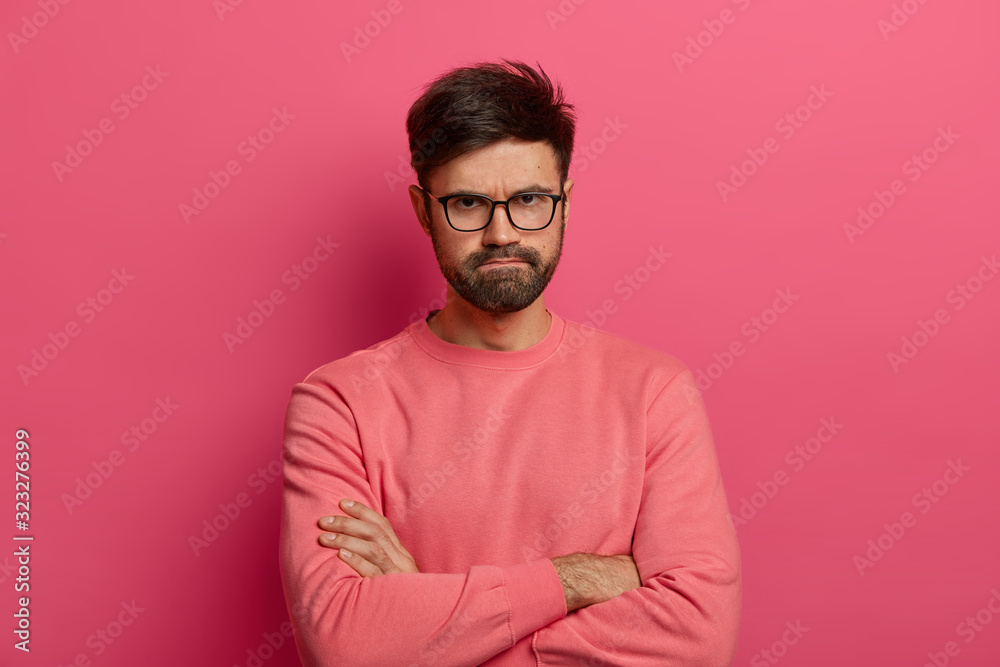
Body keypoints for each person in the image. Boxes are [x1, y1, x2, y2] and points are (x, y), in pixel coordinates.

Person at [279, 59, 741, 666]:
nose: (501, 234)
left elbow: (699, 640)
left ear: (566, 202)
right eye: (468, 203)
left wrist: (430, 624)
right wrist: (574, 580)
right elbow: (346, 648)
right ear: (423, 210)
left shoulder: (655, 393)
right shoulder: (338, 403)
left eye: (528, 199)